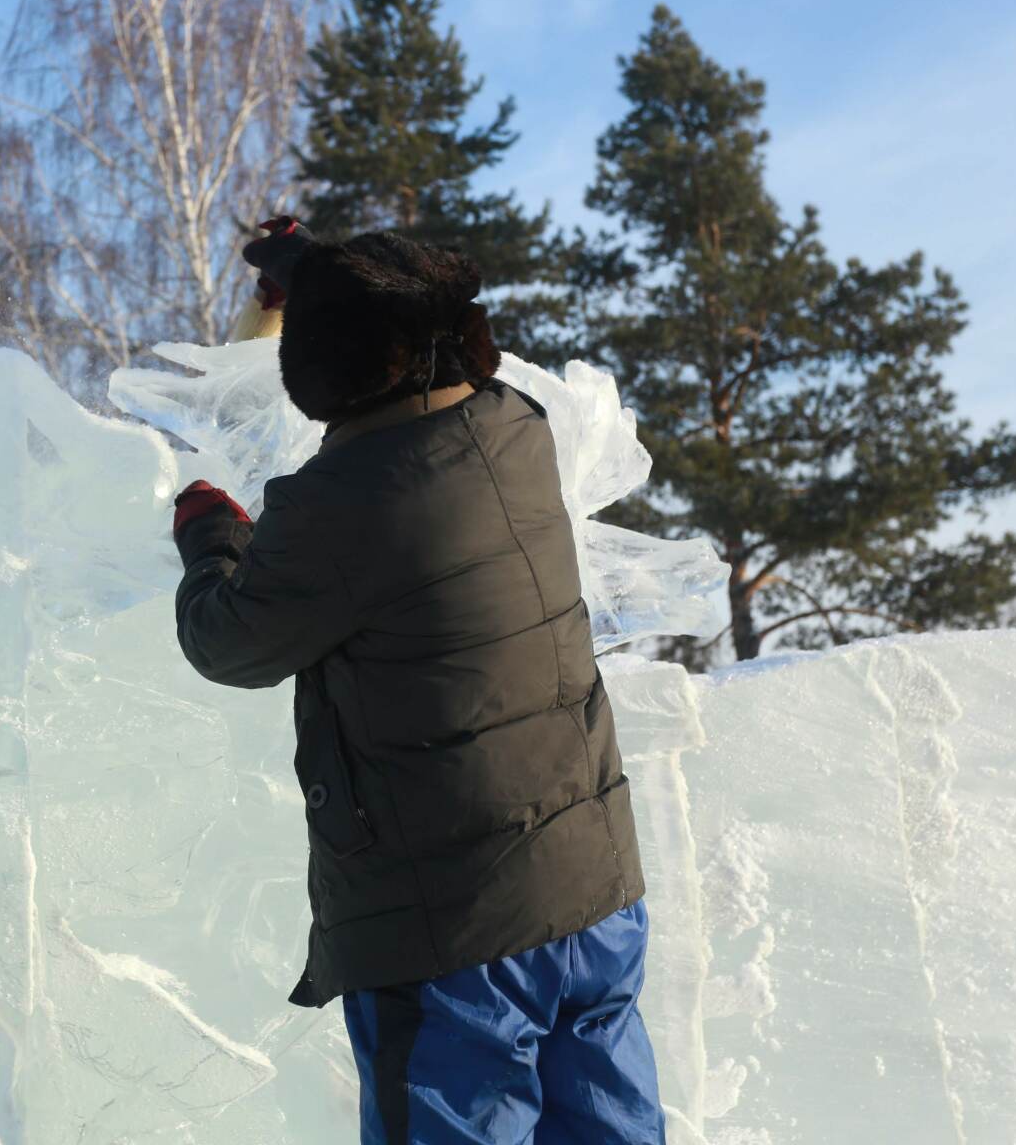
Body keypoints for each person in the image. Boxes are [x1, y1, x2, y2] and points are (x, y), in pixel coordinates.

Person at [170, 220, 665, 1145]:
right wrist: (315, 276)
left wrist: (211, 538)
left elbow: (228, 642)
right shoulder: (518, 427)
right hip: (594, 896)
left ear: (332, 367)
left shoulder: (343, 502)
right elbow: (408, 344)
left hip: (455, 937)